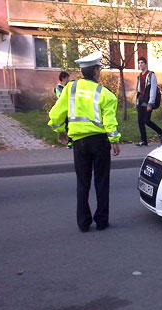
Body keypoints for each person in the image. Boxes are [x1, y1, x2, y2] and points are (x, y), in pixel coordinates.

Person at [47, 51, 121, 232]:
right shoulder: (106, 94)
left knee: (83, 182)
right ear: (96, 71)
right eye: (99, 69)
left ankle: (83, 222)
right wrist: (114, 140)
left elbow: (55, 113)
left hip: (79, 143)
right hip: (99, 142)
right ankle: (102, 221)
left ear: (82, 71)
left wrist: (60, 131)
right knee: (101, 182)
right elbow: (109, 121)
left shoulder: (70, 89)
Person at [135, 57, 162, 147]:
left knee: (146, 120)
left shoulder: (151, 75)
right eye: (139, 63)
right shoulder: (139, 76)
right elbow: (139, 90)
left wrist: (150, 103)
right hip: (141, 101)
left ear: (145, 64)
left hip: (147, 101)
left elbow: (153, 89)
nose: (140, 65)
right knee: (140, 121)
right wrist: (137, 102)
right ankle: (144, 141)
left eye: (142, 63)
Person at [55, 71, 73, 148]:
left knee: (70, 125)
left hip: (69, 110)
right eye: (67, 78)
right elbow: (61, 98)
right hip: (64, 111)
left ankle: (70, 141)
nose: (68, 79)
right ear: (63, 78)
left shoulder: (66, 87)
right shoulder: (59, 88)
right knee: (66, 126)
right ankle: (67, 141)